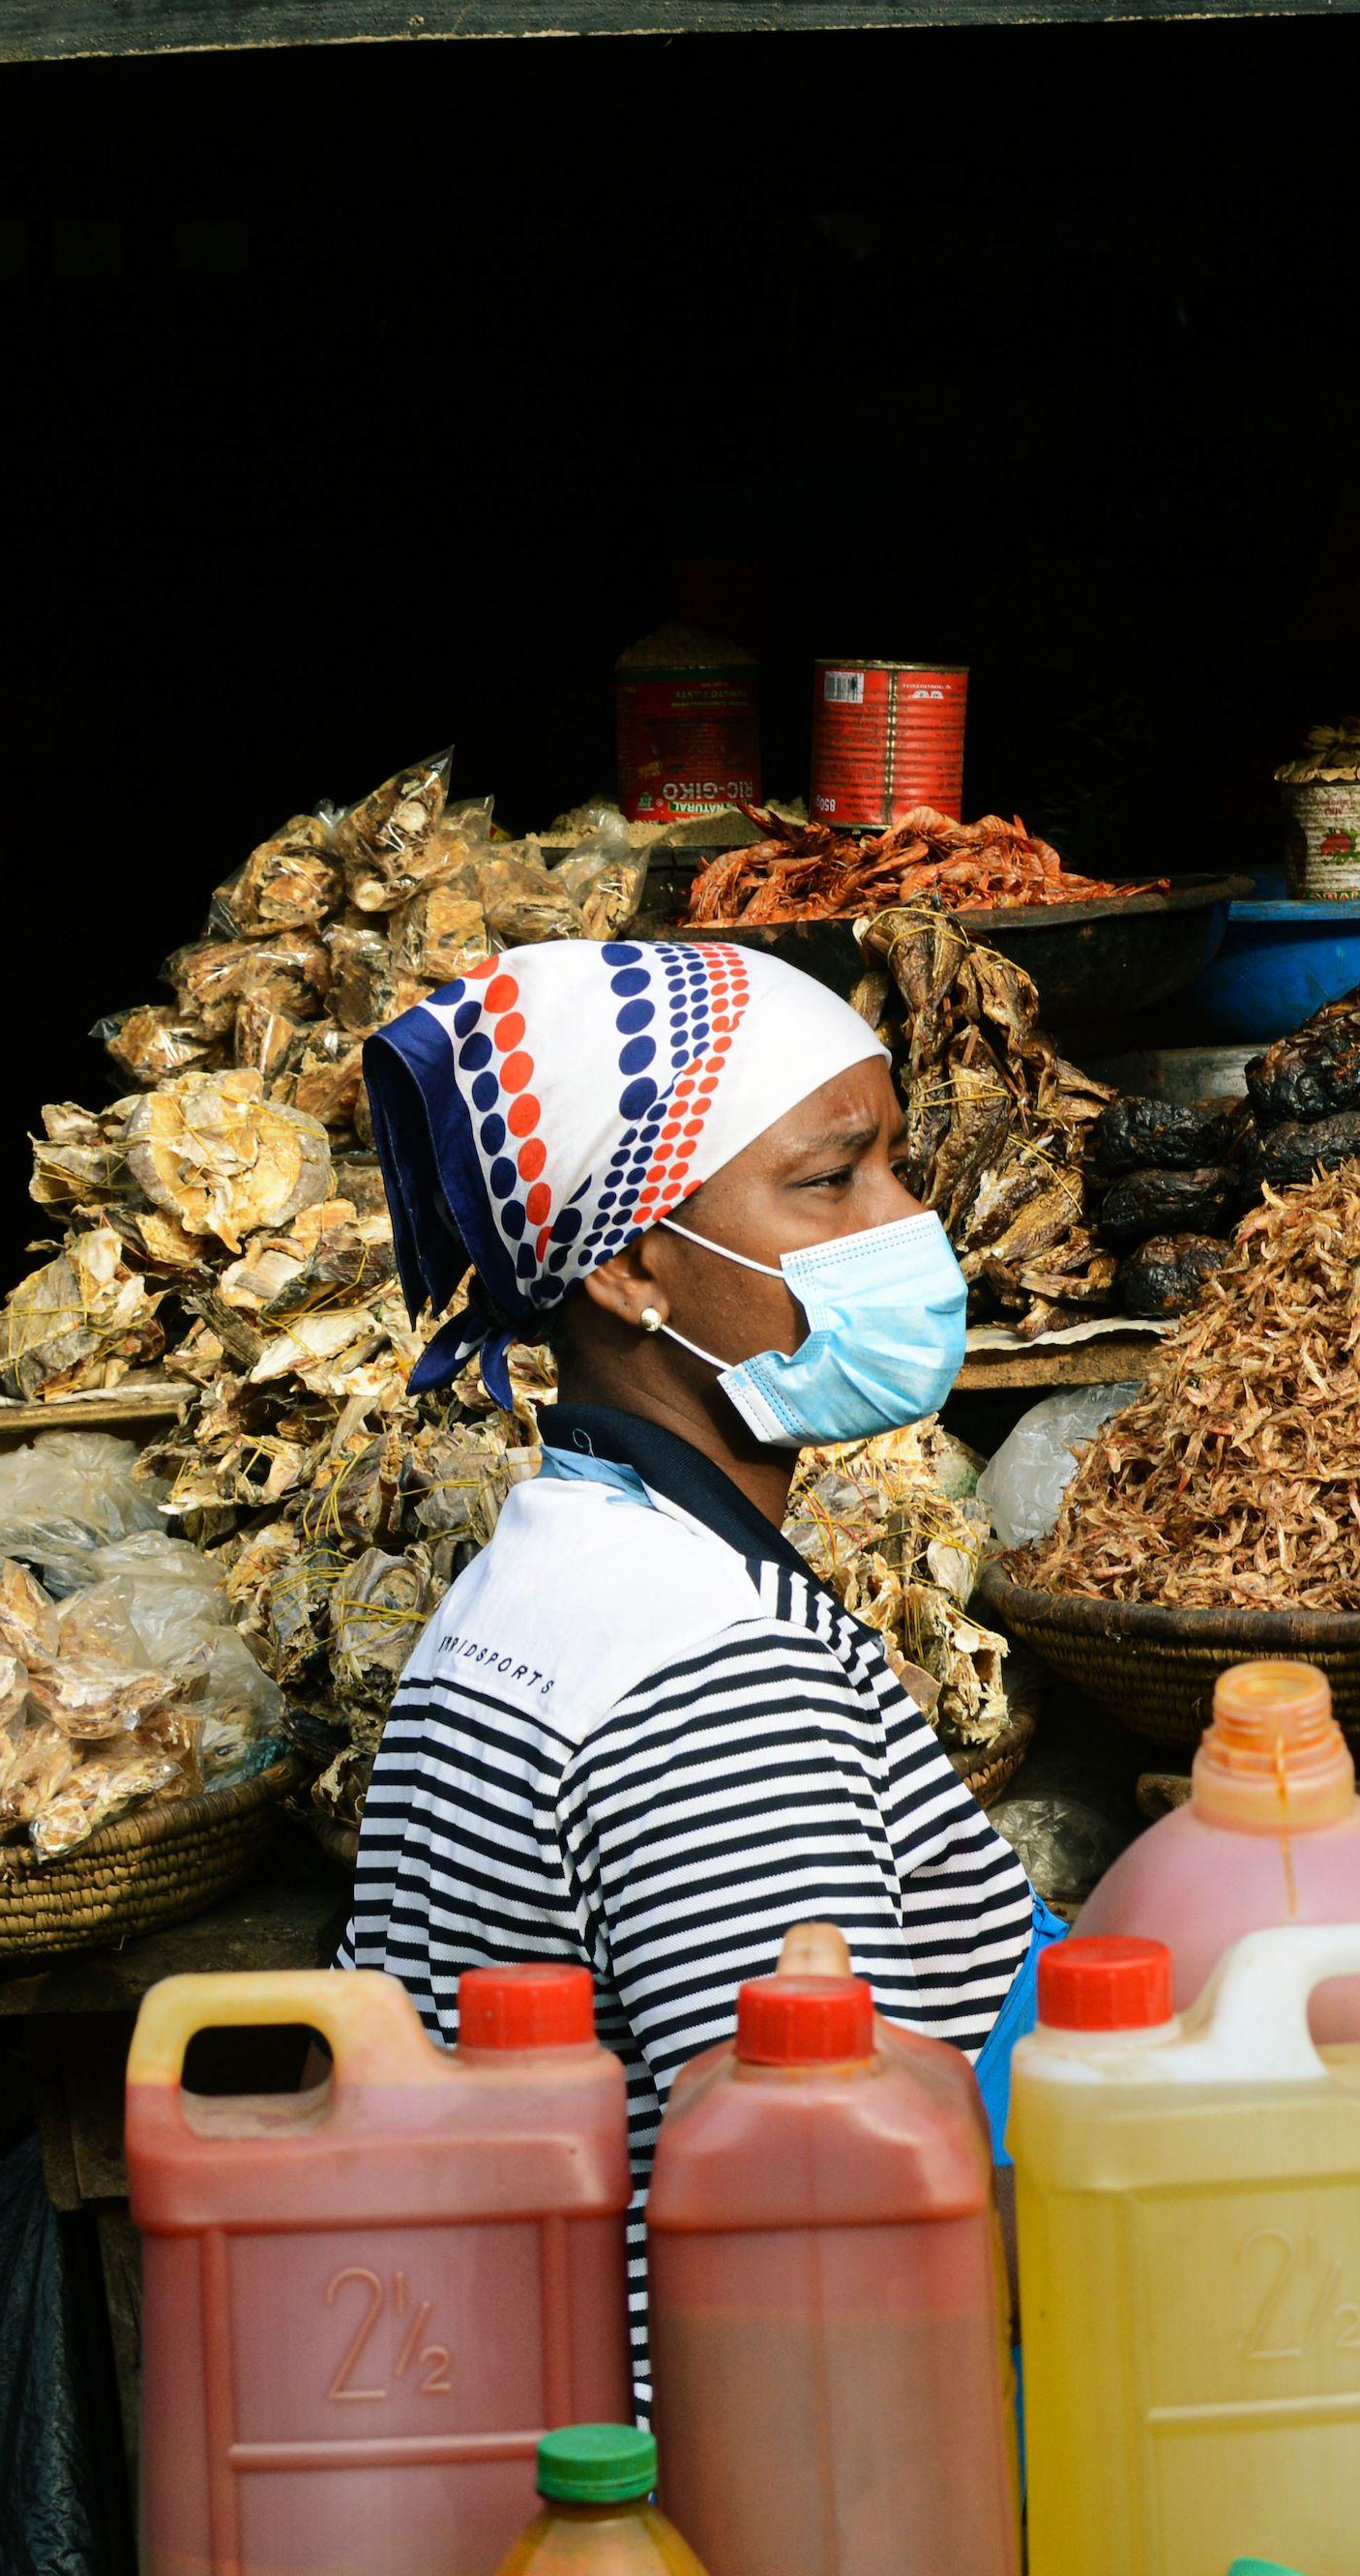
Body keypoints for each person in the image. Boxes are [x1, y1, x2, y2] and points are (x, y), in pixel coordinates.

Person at [340, 937, 1050, 2392]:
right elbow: (815, 2258)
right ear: (628, 1269)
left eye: (896, 1168)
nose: (909, 1223)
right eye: (831, 1179)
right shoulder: (715, 1687)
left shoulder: (539, 1581)